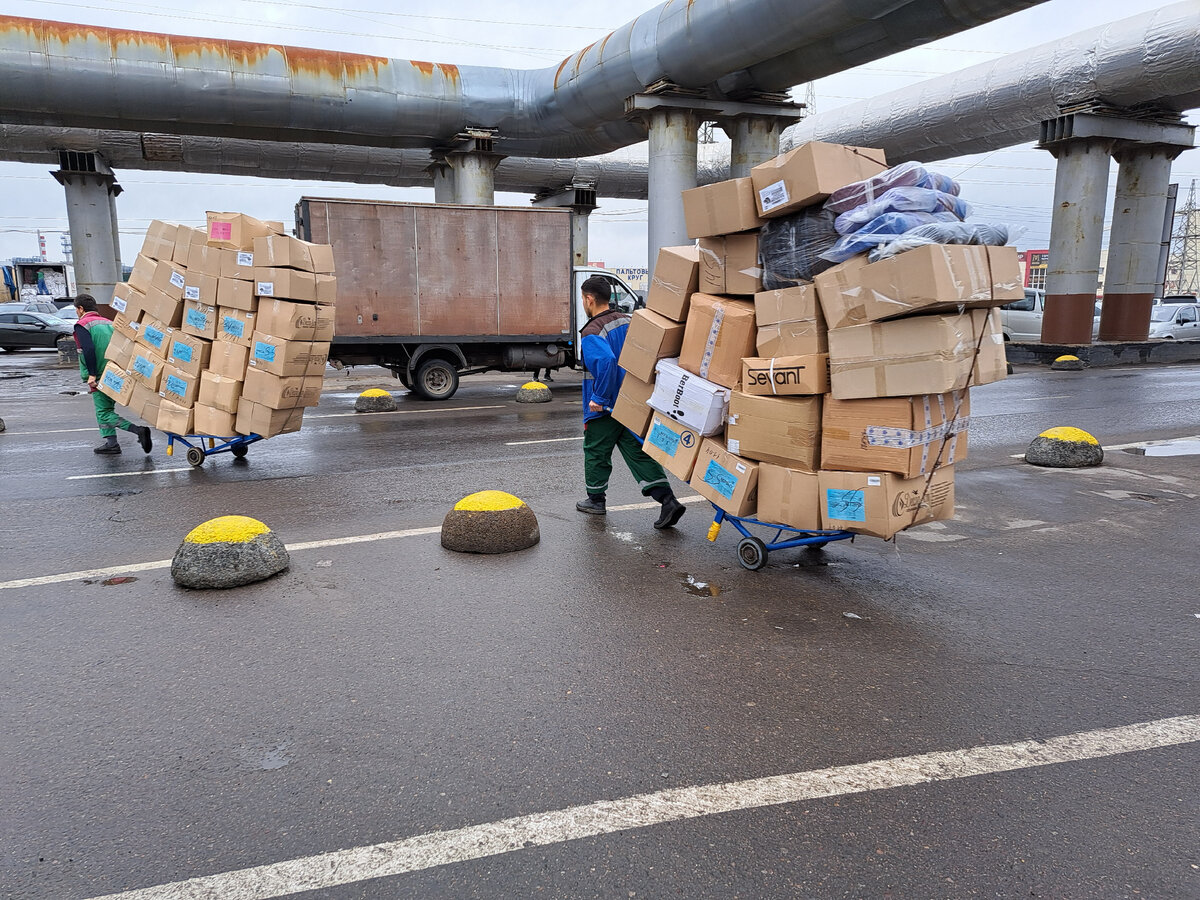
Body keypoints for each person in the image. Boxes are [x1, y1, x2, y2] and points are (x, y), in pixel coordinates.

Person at [576, 275, 685, 529]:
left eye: (583, 298)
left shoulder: (592, 331)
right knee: (637, 451)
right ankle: (668, 500)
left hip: (605, 406)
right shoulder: (628, 320)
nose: (584, 302)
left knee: (595, 451)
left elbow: (605, 362)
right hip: (633, 401)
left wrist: (598, 399)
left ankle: (596, 500)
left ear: (589, 299)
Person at [73, 294, 152, 455]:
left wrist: (92, 375)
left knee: (103, 412)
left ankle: (138, 430)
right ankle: (111, 443)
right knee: (105, 408)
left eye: (76, 309)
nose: (76, 312)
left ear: (80, 309)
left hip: (99, 373)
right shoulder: (109, 323)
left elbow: (88, 350)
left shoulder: (82, 325)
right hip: (114, 371)